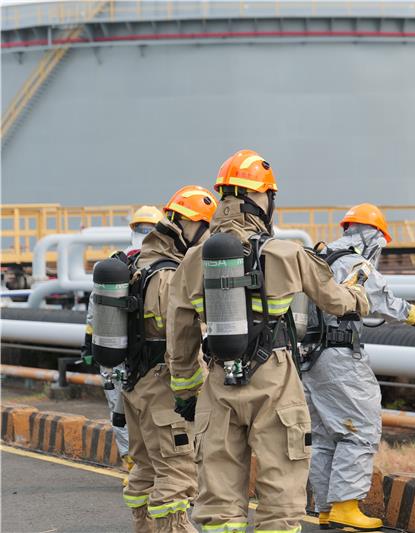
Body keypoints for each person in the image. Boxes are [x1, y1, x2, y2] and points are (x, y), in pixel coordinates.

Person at [166, 149, 370, 533]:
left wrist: (186, 391)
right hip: (274, 380)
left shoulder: (193, 260)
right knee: (280, 496)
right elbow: (337, 302)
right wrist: (358, 290)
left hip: (218, 380)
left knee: (218, 503)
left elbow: (180, 334)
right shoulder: (286, 252)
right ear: (261, 199)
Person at [302, 203, 415, 531]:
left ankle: (326, 508)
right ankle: (346, 506)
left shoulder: (318, 259)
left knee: (325, 435)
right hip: (340, 359)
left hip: (310, 358)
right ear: (374, 237)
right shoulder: (356, 264)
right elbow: (390, 305)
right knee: (361, 430)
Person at [121, 186, 217, 533]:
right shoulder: (168, 275)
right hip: (163, 388)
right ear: (191, 226)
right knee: (176, 472)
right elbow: (177, 335)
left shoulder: (138, 263)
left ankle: (144, 527)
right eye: (206, 229)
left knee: (145, 467)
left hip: (134, 385)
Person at [83, 205, 164, 472]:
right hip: (149, 353)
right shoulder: (163, 266)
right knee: (151, 410)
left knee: (120, 409)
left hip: (115, 349)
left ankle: (133, 463)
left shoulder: (114, 265)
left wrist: (88, 344)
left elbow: (94, 310)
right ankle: (148, 464)